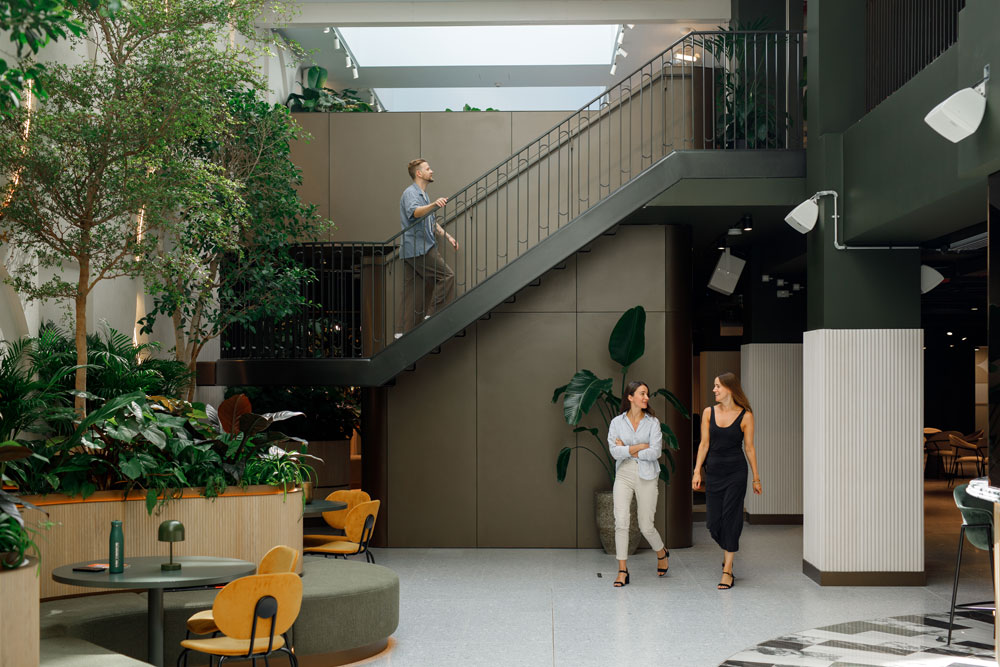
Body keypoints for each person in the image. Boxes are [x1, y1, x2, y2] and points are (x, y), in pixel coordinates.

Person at [691, 372, 761, 590]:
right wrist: (696, 471)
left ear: (729, 389)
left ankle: (727, 569)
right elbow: (704, 444)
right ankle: (728, 549)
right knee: (713, 523)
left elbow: (749, 448)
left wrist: (756, 478)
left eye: (717, 386)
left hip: (736, 473)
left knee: (731, 518)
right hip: (714, 472)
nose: (714, 390)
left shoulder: (745, 416)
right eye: (714, 386)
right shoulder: (708, 413)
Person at [607, 380, 670, 587]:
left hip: (647, 475)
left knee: (646, 525)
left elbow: (656, 452)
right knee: (621, 521)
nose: (646, 397)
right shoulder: (617, 422)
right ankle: (622, 570)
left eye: (647, 394)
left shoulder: (653, 423)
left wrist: (629, 448)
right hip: (624, 474)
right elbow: (614, 452)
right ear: (630, 397)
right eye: (642, 393)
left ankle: (661, 552)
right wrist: (641, 446)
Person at [396, 158, 459, 336]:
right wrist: (433, 205)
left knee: (411, 293)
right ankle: (433, 315)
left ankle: (402, 332)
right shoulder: (411, 193)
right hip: (419, 248)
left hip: (413, 249)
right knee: (447, 276)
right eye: (428, 169)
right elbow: (414, 212)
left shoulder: (423, 195)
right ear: (419, 173)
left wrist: (447, 236)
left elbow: (430, 221)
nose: (432, 171)